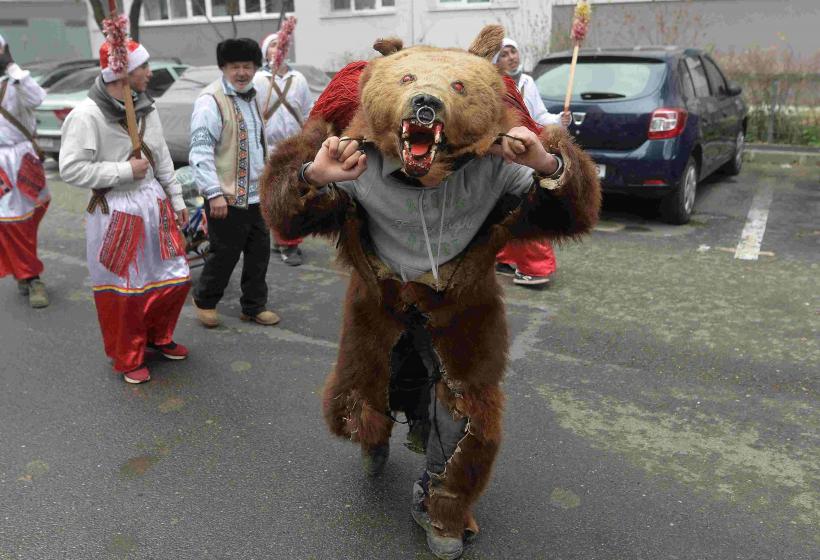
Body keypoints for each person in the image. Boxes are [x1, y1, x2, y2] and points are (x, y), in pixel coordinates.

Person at [59, 38, 190, 384]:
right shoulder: (86, 115)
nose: (150, 72)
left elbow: (161, 158)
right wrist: (122, 172)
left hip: (153, 202)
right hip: (115, 208)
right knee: (124, 286)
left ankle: (157, 336)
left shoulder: (146, 106)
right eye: (143, 67)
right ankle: (127, 355)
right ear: (122, 73)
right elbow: (70, 169)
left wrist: (176, 200)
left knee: (174, 275)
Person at [189, 38, 279, 328]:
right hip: (225, 197)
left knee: (258, 255)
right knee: (223, 255)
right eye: (234, 67)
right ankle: (205, 300)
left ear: (255, 68)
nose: (241, 72)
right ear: (223, 68)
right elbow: (200, 152)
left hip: (256, 196)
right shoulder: (210, 101)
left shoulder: (254, 96)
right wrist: (213, 194)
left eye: (247, 66)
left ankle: (253, 306)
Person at [494, 37, 571, 287]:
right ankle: (506, 258)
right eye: (504, 53)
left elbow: (539, 116)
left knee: (528, 205)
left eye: (513, 51)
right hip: (499, 154)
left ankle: (537, 267)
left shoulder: (526, 82)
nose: (511, 57)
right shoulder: (490, 85)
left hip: (525, 154)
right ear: (496, 60)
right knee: (503, 209)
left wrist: (559, 119)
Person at [0, 34, 50, 308]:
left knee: (26, 219)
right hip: (1, 165)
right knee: (10, 223)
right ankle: (30, 276)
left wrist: (12, 68)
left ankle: (26, 272)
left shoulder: (17, 83)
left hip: (23, 160)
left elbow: (38, 98)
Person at [255, 30, 313, 266]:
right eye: (272, 45)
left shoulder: (298, 79)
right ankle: (277, 241)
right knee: (271, 196)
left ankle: (290, 244)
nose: (277, 49)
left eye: (281, 45)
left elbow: (309, 110)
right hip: (267, 147)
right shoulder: (258, 80)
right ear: (265, 52)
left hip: (293, 146)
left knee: (292, 196)